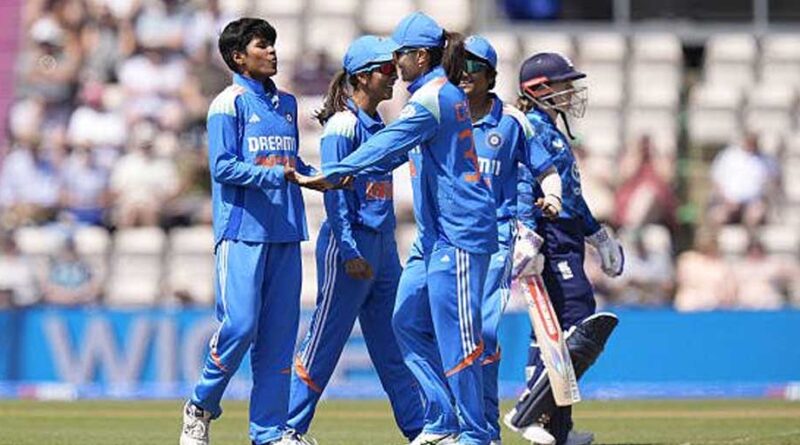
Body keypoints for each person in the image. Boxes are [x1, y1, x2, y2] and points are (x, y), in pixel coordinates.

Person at [308, 12, 499, 445]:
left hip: (460, 231)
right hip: (433, 235)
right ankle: (442, 420)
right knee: (406, 322)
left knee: (458, 338)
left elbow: (390, 143)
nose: (395, 64)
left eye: (400, 55)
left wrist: (335, 172)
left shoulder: (433, 97)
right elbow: (395, 152)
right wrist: (345, 171)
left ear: (421, 56)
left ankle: (475, 433)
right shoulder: (431, 97)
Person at [179, 17, 333, 445]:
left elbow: (291, 162)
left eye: (272, 44)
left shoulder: (287, 104)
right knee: (240, 326)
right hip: (242, 231)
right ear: (237, 57)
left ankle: (268, 433)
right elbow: (222, 167)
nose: (272, 51)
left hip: (286, 231)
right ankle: (200, 406)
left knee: (278, 341)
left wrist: (317, 176)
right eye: (262, 46)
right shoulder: (227, 104)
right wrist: (277, 176)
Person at [286, 36, 423, 443]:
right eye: (386, 70)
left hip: (382, 246)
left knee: (395, 347)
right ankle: (287, 429)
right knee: (324, 343)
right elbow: (335, 194)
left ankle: (419, 430)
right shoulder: (343, 125)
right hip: (350, 246)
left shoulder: (377, 125)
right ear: (362, 77)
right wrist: (348, 249)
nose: (394, 77)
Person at [505, 53, 625, 445]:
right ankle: (528, 412)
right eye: (564, 84)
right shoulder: (533, 129)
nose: (571, 91)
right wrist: (527, 233)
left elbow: (570, 194)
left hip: (567, 233)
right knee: (574, 316)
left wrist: (597, 235)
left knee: (552, 329)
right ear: (539, 89)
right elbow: (523, 182)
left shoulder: (552, 131)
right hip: (550, 233)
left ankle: (556, 427)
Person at [458, 35, 563, 445]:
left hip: (495, 239)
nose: (464, 75)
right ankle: (453, 424)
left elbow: (546, 170)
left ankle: (483, 428)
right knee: (445, 335)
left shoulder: (512, 121)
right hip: (449, 242)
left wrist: (551, 199)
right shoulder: (443, 115)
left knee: (482, 334)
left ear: (490, 76)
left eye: (473, 67)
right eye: (459, 67)